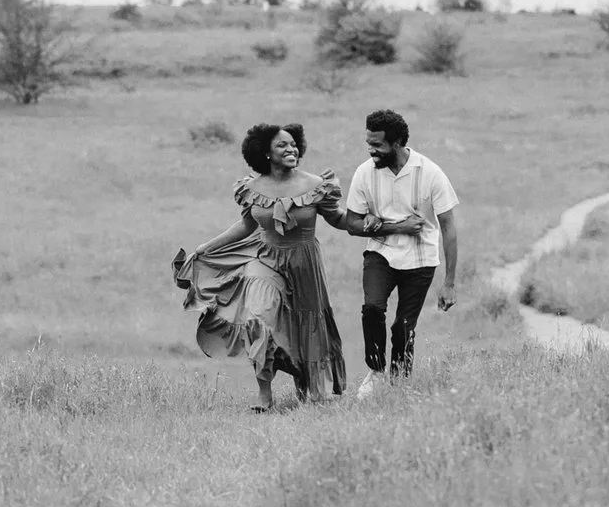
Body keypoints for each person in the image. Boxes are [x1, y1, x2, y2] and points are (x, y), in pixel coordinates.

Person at [172, 122, 350, 410]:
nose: (290, 148)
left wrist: (370, 224)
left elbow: (340, 219)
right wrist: (207, 247)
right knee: (258, 317)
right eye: (282, 145)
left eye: (293, 144)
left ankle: (308, 386)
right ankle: (264, 393)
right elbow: (246, 225)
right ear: (265, 152)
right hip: (265, 259)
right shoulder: (251, 188)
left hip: (304, 263)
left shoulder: (317, 185)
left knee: (304, 324)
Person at [339, 107, 460, 396]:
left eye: (377, 145)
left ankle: (401, 385)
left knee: (403, 327)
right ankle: (377, 371)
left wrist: (450, 283)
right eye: (369, 143)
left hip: (421, 259)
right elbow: (352, 224)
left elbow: (448, 227)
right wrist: (395, 228)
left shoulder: (429, 172)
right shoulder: (364, 173)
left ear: (397, 143)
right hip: (381, 252)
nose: (371, 150)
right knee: (372, 309)